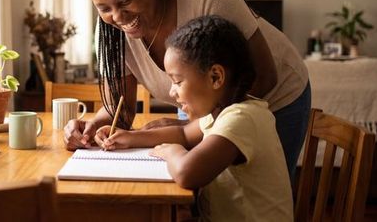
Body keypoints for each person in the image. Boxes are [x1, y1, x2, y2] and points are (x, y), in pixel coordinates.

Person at [64, 0, 310, 183]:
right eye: (104, 8)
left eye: (125, 0)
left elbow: (263, 77)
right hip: (209, 110)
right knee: (219, 196)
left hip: (276, 95)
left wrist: (185, 129)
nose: (117, 16)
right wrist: (91, 127)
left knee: (261, 192)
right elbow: (121, 109)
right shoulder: (109, 31)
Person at [95, 15, 293, 221]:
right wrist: (129, 137)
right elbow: (183, 133)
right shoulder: (222, 112)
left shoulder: (243, 118)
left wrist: (172, 152)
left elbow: (187, 174)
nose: (172, 92)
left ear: (215, 77)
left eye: (178, 81)